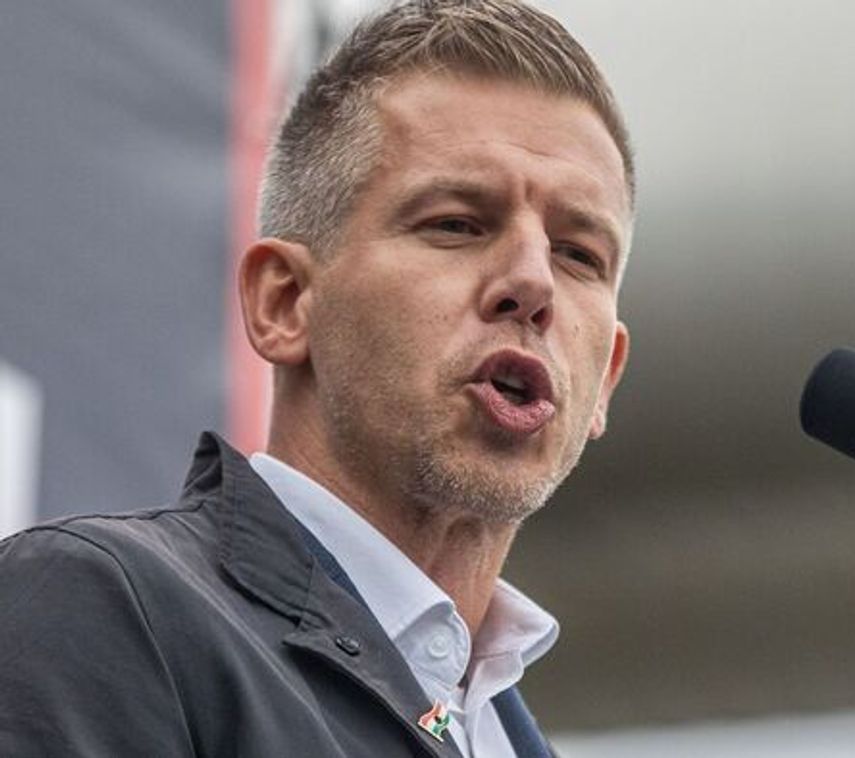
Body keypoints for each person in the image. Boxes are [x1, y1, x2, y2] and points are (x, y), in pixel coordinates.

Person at [0, 1, 633, 756]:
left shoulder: (501, 733)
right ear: (285, 302)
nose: (532, 283)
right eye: (456, 224)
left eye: (578, 255)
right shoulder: (103, 608)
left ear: (606, 379)